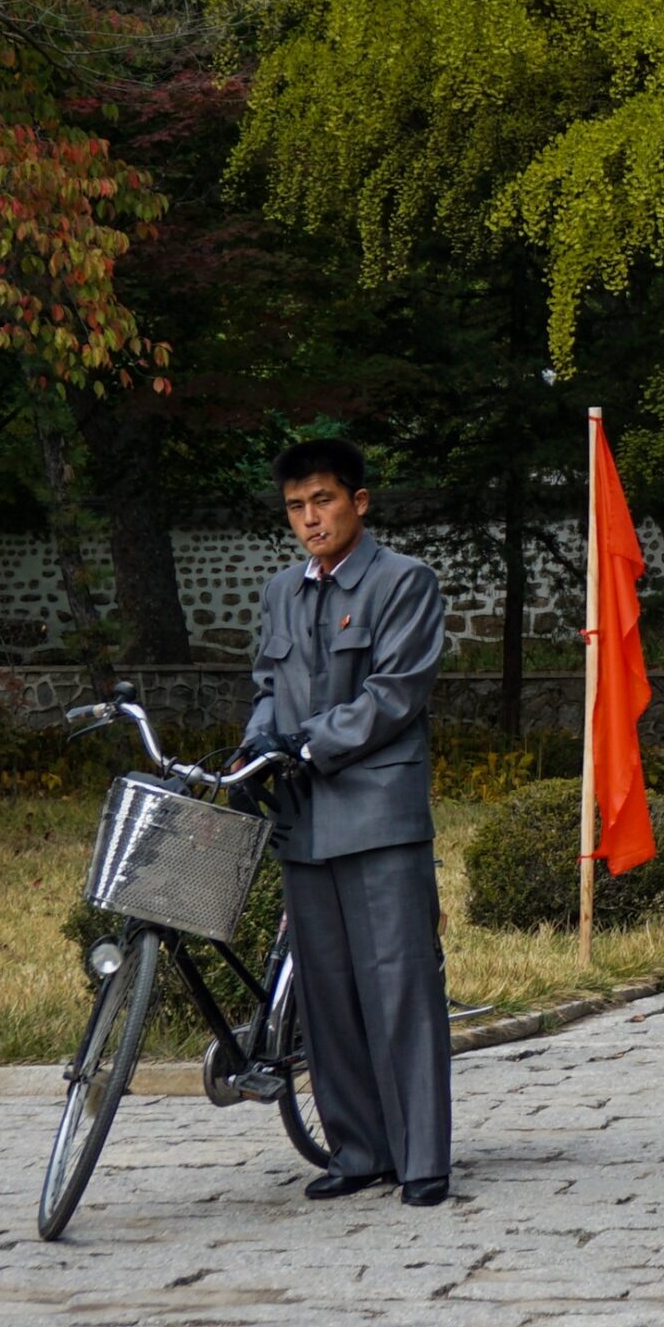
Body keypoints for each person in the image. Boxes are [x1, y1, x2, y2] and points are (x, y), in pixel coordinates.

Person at [240, 438, 452, 1208]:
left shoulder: (406, 582)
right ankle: (358, 1148)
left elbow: (397, 692)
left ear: (358, 501)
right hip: (305, 816)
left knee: (400, 986)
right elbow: (267, 681)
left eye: (323, 500)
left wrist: (309, 741)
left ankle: (422, 1157)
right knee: (326, 992)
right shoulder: (280, 593)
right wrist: (259, 739)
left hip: (379, 813)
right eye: (296, 506)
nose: (309, 518)